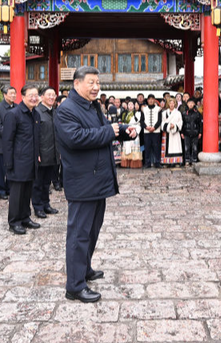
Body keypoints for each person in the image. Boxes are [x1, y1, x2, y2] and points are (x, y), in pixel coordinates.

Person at [55, 66, 137, 303]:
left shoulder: (92, 106)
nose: (96, 87)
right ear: (77, 84)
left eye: (98, 83)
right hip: (82, 181)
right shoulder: (66, 110)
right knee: (79, 234)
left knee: (92, 230)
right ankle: (74, 286)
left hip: (97, 179)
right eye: (91, 82)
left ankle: (84, 269)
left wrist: (124, 131)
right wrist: (109, 131)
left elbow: (103, 130)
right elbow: (76, 138)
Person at [3, 84, 41, 235]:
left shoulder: (35, 114)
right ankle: (14, 222)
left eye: (36, 95)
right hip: (18, 161)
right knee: (17, 194)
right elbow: (7, 141)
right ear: (23, 96)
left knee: (27, 192)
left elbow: (36, 138)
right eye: (31, 95)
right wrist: (8, 163)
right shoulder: (13, 114)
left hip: (31, 160)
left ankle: (25, 217)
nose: (34, 98)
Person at [32, 87, 60, 219]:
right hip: (41, 153)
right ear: (42, 97)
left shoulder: (55, 112)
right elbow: (34, 135)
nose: (51, 97)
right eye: (49, 95)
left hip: (53, 152)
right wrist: (36, 152)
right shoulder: (37, 112)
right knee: (38, 183)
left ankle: (46, 204)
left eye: (53, 95)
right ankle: (38, 207)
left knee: (47, 182)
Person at [0, 86, 16, 200]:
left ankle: (10, 189)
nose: (13, 96)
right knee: (1, 170)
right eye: (11, 93)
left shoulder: (17, 107)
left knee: (12, 168)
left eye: (14, 93)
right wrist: (9, 135)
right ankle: (1, 191)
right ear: (5, 95)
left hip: (14, 144)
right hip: (2, 144)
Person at [161, 98, 184, 167]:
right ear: (168, 104)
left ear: (175, 104)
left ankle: (177, 162)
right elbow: (162, 123)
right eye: (170, 103)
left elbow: (180, 122)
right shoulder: (164, 113)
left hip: (175, 132)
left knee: (176, 147)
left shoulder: (178, 113)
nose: (171, 104)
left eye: (173, 103)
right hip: (167, 133)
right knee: (167, 148)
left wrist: (174, 126)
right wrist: (168, 126)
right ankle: (166, 162)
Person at [141, 94, 162, 168]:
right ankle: (147, 163)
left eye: (152, 99)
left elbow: (159, 120)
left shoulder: (159, 109)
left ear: (154, 100)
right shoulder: (144, 109)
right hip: (146, 131)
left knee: (156, 147)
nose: (151, 100)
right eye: (149, 99)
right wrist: (146, 127)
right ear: (147, 100)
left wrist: (154, 127)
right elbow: (142, 121)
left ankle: (157, 162)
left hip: (156, 131)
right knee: (147, 147)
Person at [182, 98, 202, 166]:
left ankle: (194, 159)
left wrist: (200, 132)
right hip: (186, 132)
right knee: (186, 148)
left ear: (194, 104)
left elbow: (200, 123)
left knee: (195, 147)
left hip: (195, 132)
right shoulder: (184, 113)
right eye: (189, 103)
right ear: (187, 104)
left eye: (192, 103)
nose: (190, 104)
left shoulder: (197, 113)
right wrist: (182, 132)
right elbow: (182, 124)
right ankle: (187, 160)